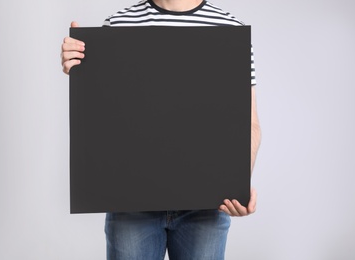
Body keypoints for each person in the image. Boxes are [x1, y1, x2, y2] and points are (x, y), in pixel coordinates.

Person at [61, 0, 261, 259]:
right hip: (130, 204)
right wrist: (78, 67)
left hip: (205, 208)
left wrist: (238, 186)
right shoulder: (118, 25)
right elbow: (104, 116)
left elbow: (251, 124)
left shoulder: (230, 29)